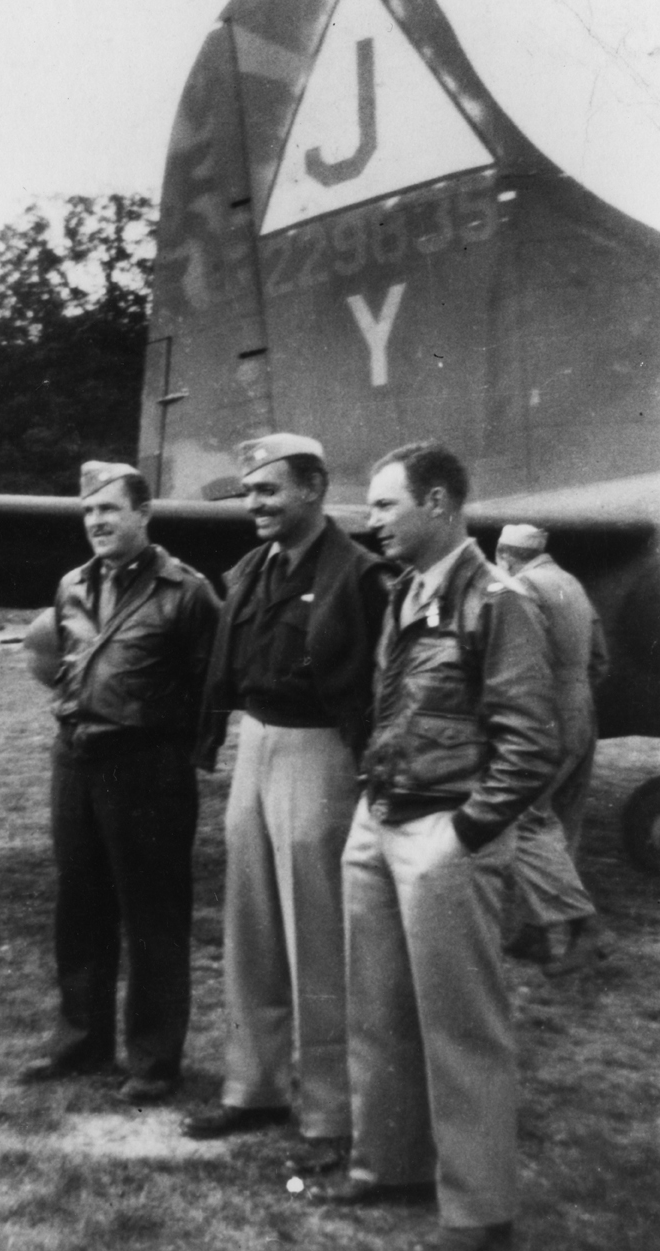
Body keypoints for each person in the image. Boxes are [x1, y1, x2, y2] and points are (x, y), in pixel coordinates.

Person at [314, 443, 559, 1251]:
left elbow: (529, 742)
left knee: (461, 1026)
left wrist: (464, 832)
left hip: (442, 830)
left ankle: (478, 1209)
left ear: (440, 503)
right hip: (380, 817)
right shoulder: (403, 593)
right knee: (377, 1005)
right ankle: (389, 1164)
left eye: (386, 505)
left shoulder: (498, 600)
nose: (370, 519)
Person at [183, 434, 389, 1171]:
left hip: (319, 753)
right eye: (248, 491)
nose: (255, 504)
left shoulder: (360, 574)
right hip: (256, 746)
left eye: (268, 490)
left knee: (319, 933)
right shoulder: (250, 570)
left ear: (313, 487)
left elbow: (377, 682)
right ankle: (253, 1085)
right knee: (251, 927)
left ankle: (331, 1109)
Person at [20, 461, 219, 1105]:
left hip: (148, 768)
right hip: (76, 760)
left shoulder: (185, 591)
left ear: (143, 514)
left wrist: (169, 748)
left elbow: (211, 683)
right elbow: (63, 665)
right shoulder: (71, 585)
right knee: (79, 906)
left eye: (110, 509)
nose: (98, 522)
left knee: (153, 914)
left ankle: (155, 1058)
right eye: (88, 512)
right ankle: (81, 1038)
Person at [495, 524, 610, 975]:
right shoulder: (572, 585)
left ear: (505, 555)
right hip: (583, 712)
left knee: (523, 815)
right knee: (562, 822)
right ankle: (535, 930)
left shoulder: (522, 587)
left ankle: (586, 931)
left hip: (547, 717)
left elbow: (518, 660)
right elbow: (600, 659)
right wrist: (576, 695)